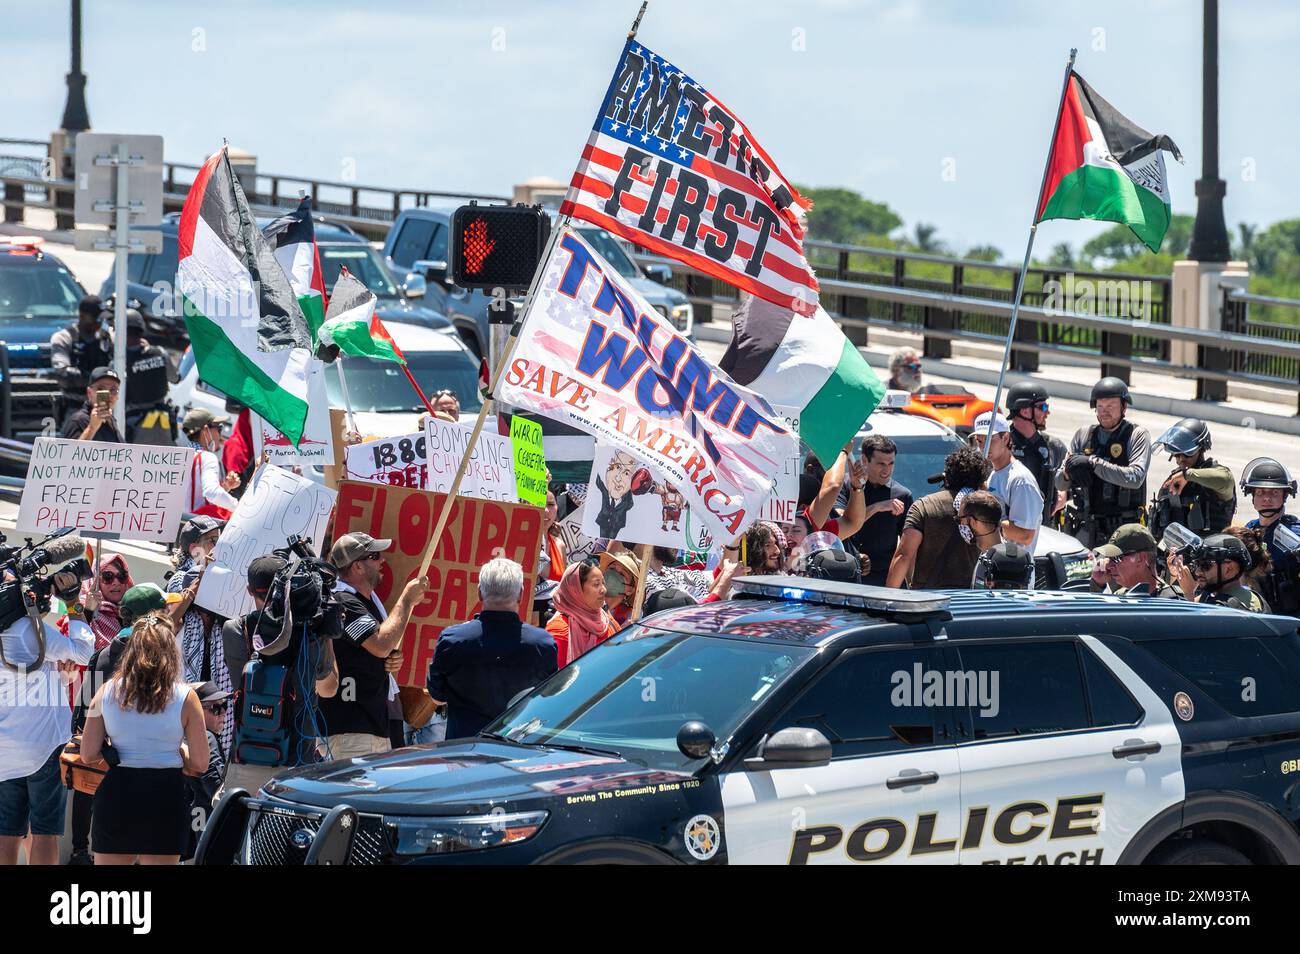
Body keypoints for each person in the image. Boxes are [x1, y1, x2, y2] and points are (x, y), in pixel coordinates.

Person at [81, 614, 209, 865]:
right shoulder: (186, 697)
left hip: (118, 793)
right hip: (165, 795)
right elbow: (201, 763)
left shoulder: (105, 692)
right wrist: (179, 752)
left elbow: (88, 754)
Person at [217, 556, 339, 800]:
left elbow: (240, 682)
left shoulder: (235, 629)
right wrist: (326, 633)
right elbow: (329, 688)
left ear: (249, 590)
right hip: (296, 762)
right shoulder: (310, 631)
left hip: (246, 755)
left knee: (237, 835)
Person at [0, 576, 95, 865]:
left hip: (5, 750)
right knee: (45, 832)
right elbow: (82, 650)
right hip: (44, 748)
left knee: (5, 832)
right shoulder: (31, 629)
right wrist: (72, 605)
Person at [319, 533, 428, 761]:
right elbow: (379, 644)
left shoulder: (364, 601)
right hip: (351, 729)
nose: (383, 561)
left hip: (369, 725)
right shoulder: (343, 601)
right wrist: (407, 600)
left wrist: (390, 659)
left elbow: (378, 649)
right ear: (357, 566)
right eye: (375, 556)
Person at [426, 558, 557, 740]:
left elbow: (437, 698)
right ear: (520, 594)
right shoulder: (543, 644)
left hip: (462, 751)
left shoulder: (452, 640)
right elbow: (549, 701)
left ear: (479, 593)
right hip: (517, 752)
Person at [1057, 376, 1152, 548]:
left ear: (1124, 406)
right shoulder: (1083, 435)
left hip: (1123, 530)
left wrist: (1094, 463)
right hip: (1085, 527)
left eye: (1110, 406)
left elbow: (1135, 478)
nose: (1104, 411)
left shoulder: (1136, 435)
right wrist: (1067, 472)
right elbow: (1060, 485)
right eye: (1100, 406)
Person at [165, 517, 231, 755]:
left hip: (217, 685)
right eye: (212, 540)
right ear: (195, 549)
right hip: (186, 681)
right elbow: (169, 622)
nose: (219, 545)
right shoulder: (179, 580)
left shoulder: (228, 579)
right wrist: (200, 581)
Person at [887, 446, 991, 589]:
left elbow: (904, 555)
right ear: (981, 481)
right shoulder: (986, 510)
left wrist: (888, 600)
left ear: (947, 475)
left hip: (927, 600)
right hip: (971, 599)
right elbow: (993, 550)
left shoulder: (924, 506)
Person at [1148, 418, 1236, 542]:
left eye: (1187, 454)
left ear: (1201, 450)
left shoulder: (1215, 474)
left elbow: (1226, 480)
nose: (1180, 459)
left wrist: (1187, 475)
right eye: (1176, 454)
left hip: (1209, 555)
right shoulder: (1173, 480)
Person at [846, 436, 913, 587]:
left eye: (891, 463)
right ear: (864, 459)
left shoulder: (903, 495)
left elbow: (909, 547)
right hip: (847, 578)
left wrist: (911, 583)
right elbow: (843, 522)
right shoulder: (846, 486)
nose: (887, 470)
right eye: (881, 464)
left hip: (886, 582)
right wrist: (878, 507)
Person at [971, 410, 1043, 548]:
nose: (983, 447)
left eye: (990, 440)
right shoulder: (992, 474)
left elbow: (1025, 535)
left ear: (1005, 438)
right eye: (979, 441)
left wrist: (984, 520)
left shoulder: (1020, 480)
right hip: (993, 563)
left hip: (1014, 567)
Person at [1241, 457, 1300, 616]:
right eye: (1260, 492)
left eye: (1274, 492)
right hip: (1256, 612)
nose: (1266, 498)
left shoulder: (1295, 531)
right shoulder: (1249, 529)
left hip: (1290, 618)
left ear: (1285, 495)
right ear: (1251, 495)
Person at [1004, 381, 1067, 523]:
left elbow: (1071, 481)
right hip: (1010, 527)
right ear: (1025, 411)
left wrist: (1064, 494)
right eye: (1043, 407)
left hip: (1046, 530)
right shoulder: (1000, 444)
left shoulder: (1054, 446)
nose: (1047, 412)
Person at [1170, 530, 1271, 612]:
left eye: (1205, 565)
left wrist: (1188, 594)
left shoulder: (1221, 610)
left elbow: (1191, 632)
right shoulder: (1254, 597)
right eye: (1196, 565)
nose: (1197, 572)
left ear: (1229, 569)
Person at [50, 294, 113, 424]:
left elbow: (115, 368)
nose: (100, 323)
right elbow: (63, 375)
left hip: (102, 405)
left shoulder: (105, 338)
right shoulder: (64, 338)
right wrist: (97, 379)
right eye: (96, 319)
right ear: (82, 316)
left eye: (102, 319)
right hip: (75, 407)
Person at [546, 562, 617, 668]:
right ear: (575, 590)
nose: (604, 590)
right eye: (596, 584)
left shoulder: (607, 620)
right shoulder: (559, 630)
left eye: (603, 583)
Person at [123, 310, 175, 445]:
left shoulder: (119, 361)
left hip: (136, 424)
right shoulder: (160, 353)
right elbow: (175, 378)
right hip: (162, 421)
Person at [1092, 524, 1182, 598]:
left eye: (1116, 558)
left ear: (1141, 558)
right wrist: (1098, 585)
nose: (1109, 565)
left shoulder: (1172, 604)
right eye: (1109, 558)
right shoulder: (1120, 596)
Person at [182, 409, 241, 520]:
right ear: (205, 430)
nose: (220, 434)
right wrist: (238, 507)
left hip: (173, 525)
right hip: (195, 526)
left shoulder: (180, 456)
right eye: (219, 429)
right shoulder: (208, 457)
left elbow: (191, 494)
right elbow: (212, 493)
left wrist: (226, 487)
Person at [59, 366, 124, 443]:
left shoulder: (111, 420)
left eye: (113, 390)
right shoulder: (78, 420)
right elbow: (70, 453)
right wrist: (91, 428)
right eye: (101, 389)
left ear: (117, 396)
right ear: (89, 393)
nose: (108, 394)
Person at [599, 550, 640, 626]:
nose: (613, 575)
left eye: (622, 574)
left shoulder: (631, 617)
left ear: (630, 590)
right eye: (612, 569)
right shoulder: (585, 600)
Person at [958, 491, 1004, 555]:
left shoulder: (989, 562)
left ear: (973, 522)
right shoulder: (1012, 555)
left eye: (959, 520)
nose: (960, 524)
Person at [540, 487, 567, 583]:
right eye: (539, 504)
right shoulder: (521, 544)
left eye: (551, 504)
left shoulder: (560, 545)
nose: (546, 510)